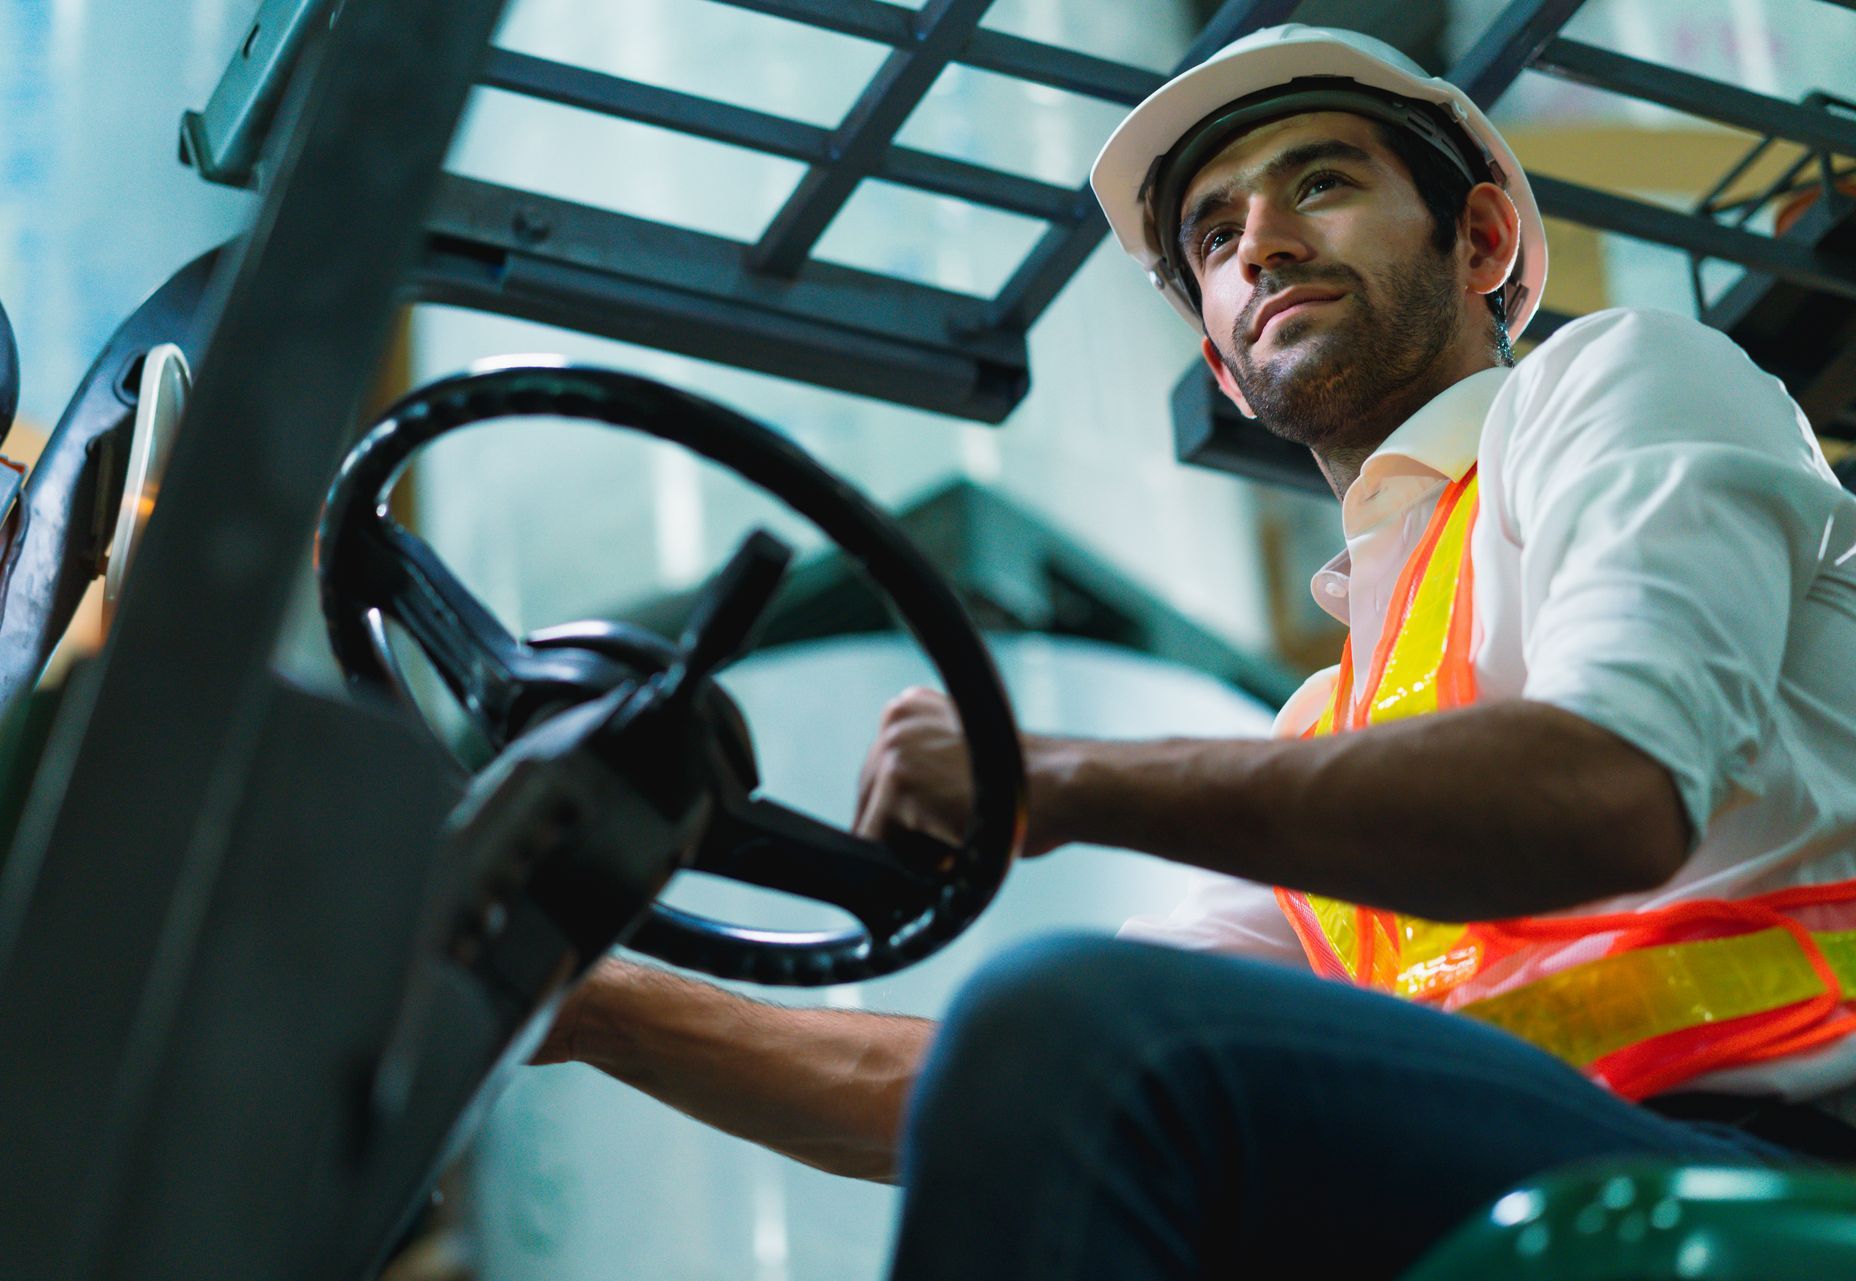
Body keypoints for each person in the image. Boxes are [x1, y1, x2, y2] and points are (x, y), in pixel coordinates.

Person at [530, 24, 1856, 1278]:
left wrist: (1058, 778)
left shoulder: (1621, 385)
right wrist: (592, 1002)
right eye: (1213, 239)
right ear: (1223, 367)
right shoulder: (1332, 720)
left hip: (1783, 1165)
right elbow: (985, 1082)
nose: (1261, 245)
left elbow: (1611, 786)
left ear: (1486, 237)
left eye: (1318, 182)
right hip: (1515, 1186)